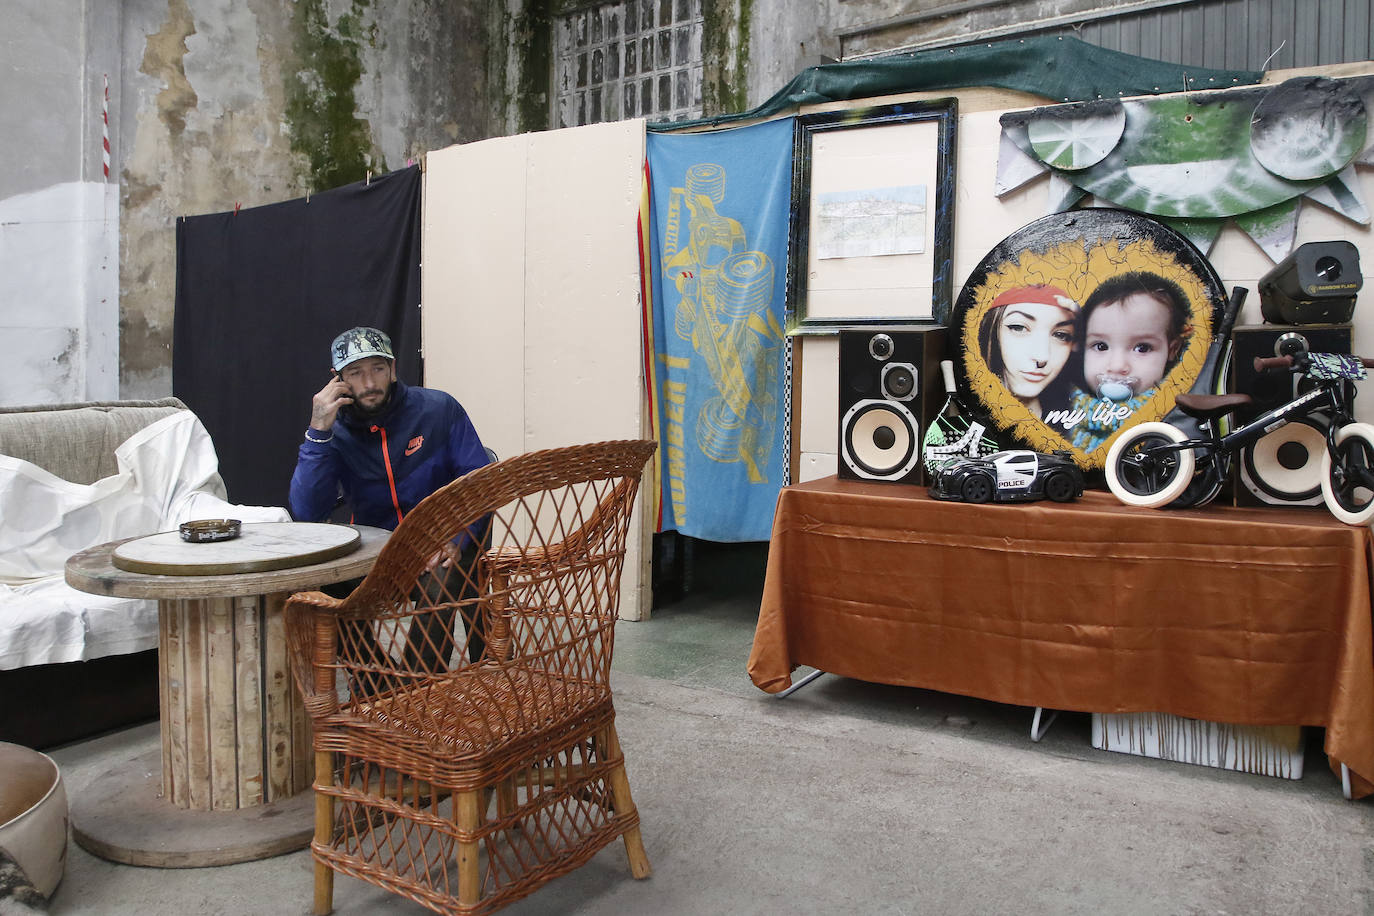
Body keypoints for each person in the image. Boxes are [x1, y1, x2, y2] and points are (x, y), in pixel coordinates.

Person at [289, 326, 491, 676]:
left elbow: (480, 482)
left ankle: (418, 688)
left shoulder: (438, 409)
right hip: (376, 554)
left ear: (393, 369)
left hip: (442, 544)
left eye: (377, 369)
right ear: (338, 380)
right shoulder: (334, 431)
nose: (369, 383)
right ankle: (378, 682)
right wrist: (318, 432)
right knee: (322, 589)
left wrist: (456, 536)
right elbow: (306, 512)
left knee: (440, 581)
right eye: (355, 372)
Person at [1065, 271, 1192, 452]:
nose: (1117, 366)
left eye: (1142, 348)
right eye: (1101, 346)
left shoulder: (1173, 411)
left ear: (1172, 350)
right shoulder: (1063, 407)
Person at [978, 284, 1081, 420]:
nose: (1042, 356)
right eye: (1019, 328)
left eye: (1061, 335)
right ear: (991, 330)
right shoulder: (969, 413)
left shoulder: (1080, 425)